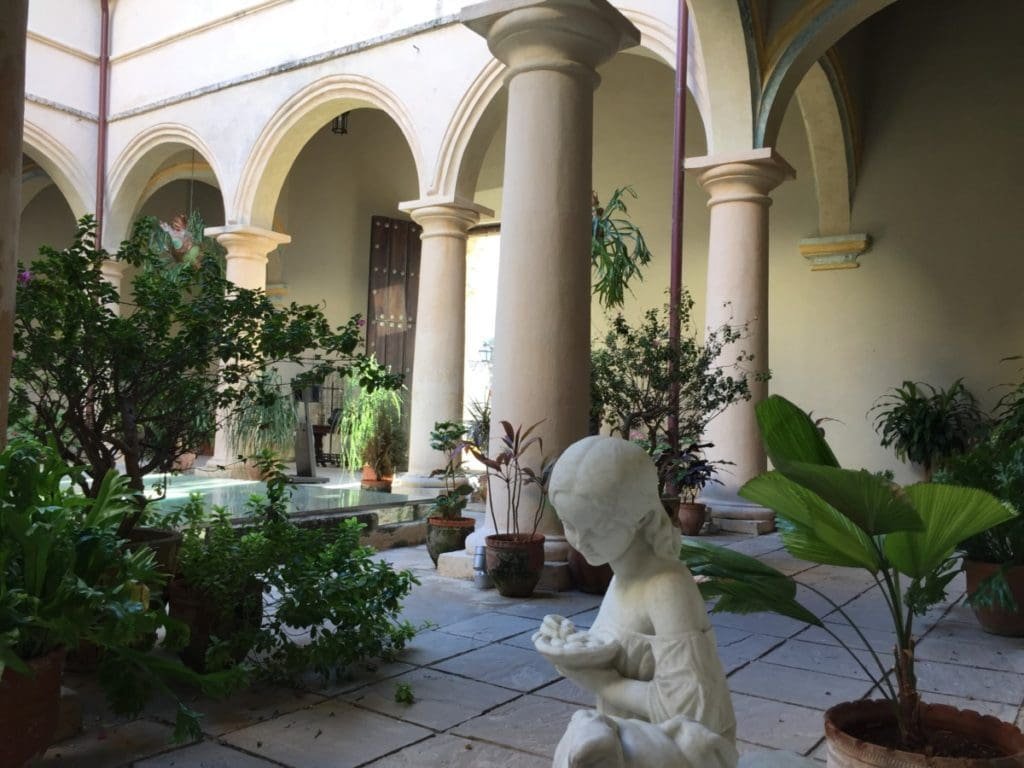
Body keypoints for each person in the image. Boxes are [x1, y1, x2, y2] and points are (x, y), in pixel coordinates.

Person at [536, 435, 738, 768]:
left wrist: (603, 683)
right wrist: (569, 645)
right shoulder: (622, 575)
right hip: (634, 739)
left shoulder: (667, 587)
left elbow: (691, 710)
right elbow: (622, 652)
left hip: (678, 753)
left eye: (596, 527)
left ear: (641, 518)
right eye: (570, 525)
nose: (581, 540)